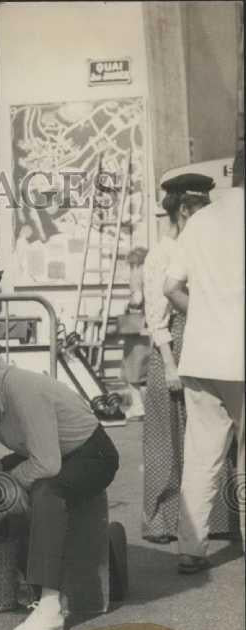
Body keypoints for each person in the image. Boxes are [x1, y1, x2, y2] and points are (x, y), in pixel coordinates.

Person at [0, 360, 119, 630]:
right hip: (48, 454)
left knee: (47, 493)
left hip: (91, 454)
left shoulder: (22, 389)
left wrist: (13, 482)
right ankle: (23, 578)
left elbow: (47, 465)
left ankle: (50, 607)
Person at [164, 148, 245, 572]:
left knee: (201, 454)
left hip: (201, 354)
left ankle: (191, 549)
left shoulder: (200, 221)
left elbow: (170, 287)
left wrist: (205, 313)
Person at [141, 173, 222, 543]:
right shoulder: (162, 254)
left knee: (204, 439)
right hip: (170, 351)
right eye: (199, 209)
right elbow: (156, 317)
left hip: (203, 345)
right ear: (185, 210)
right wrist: (170, 364)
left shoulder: (198, 248)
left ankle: (213, 520)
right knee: (167, 441)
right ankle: (160, 519)